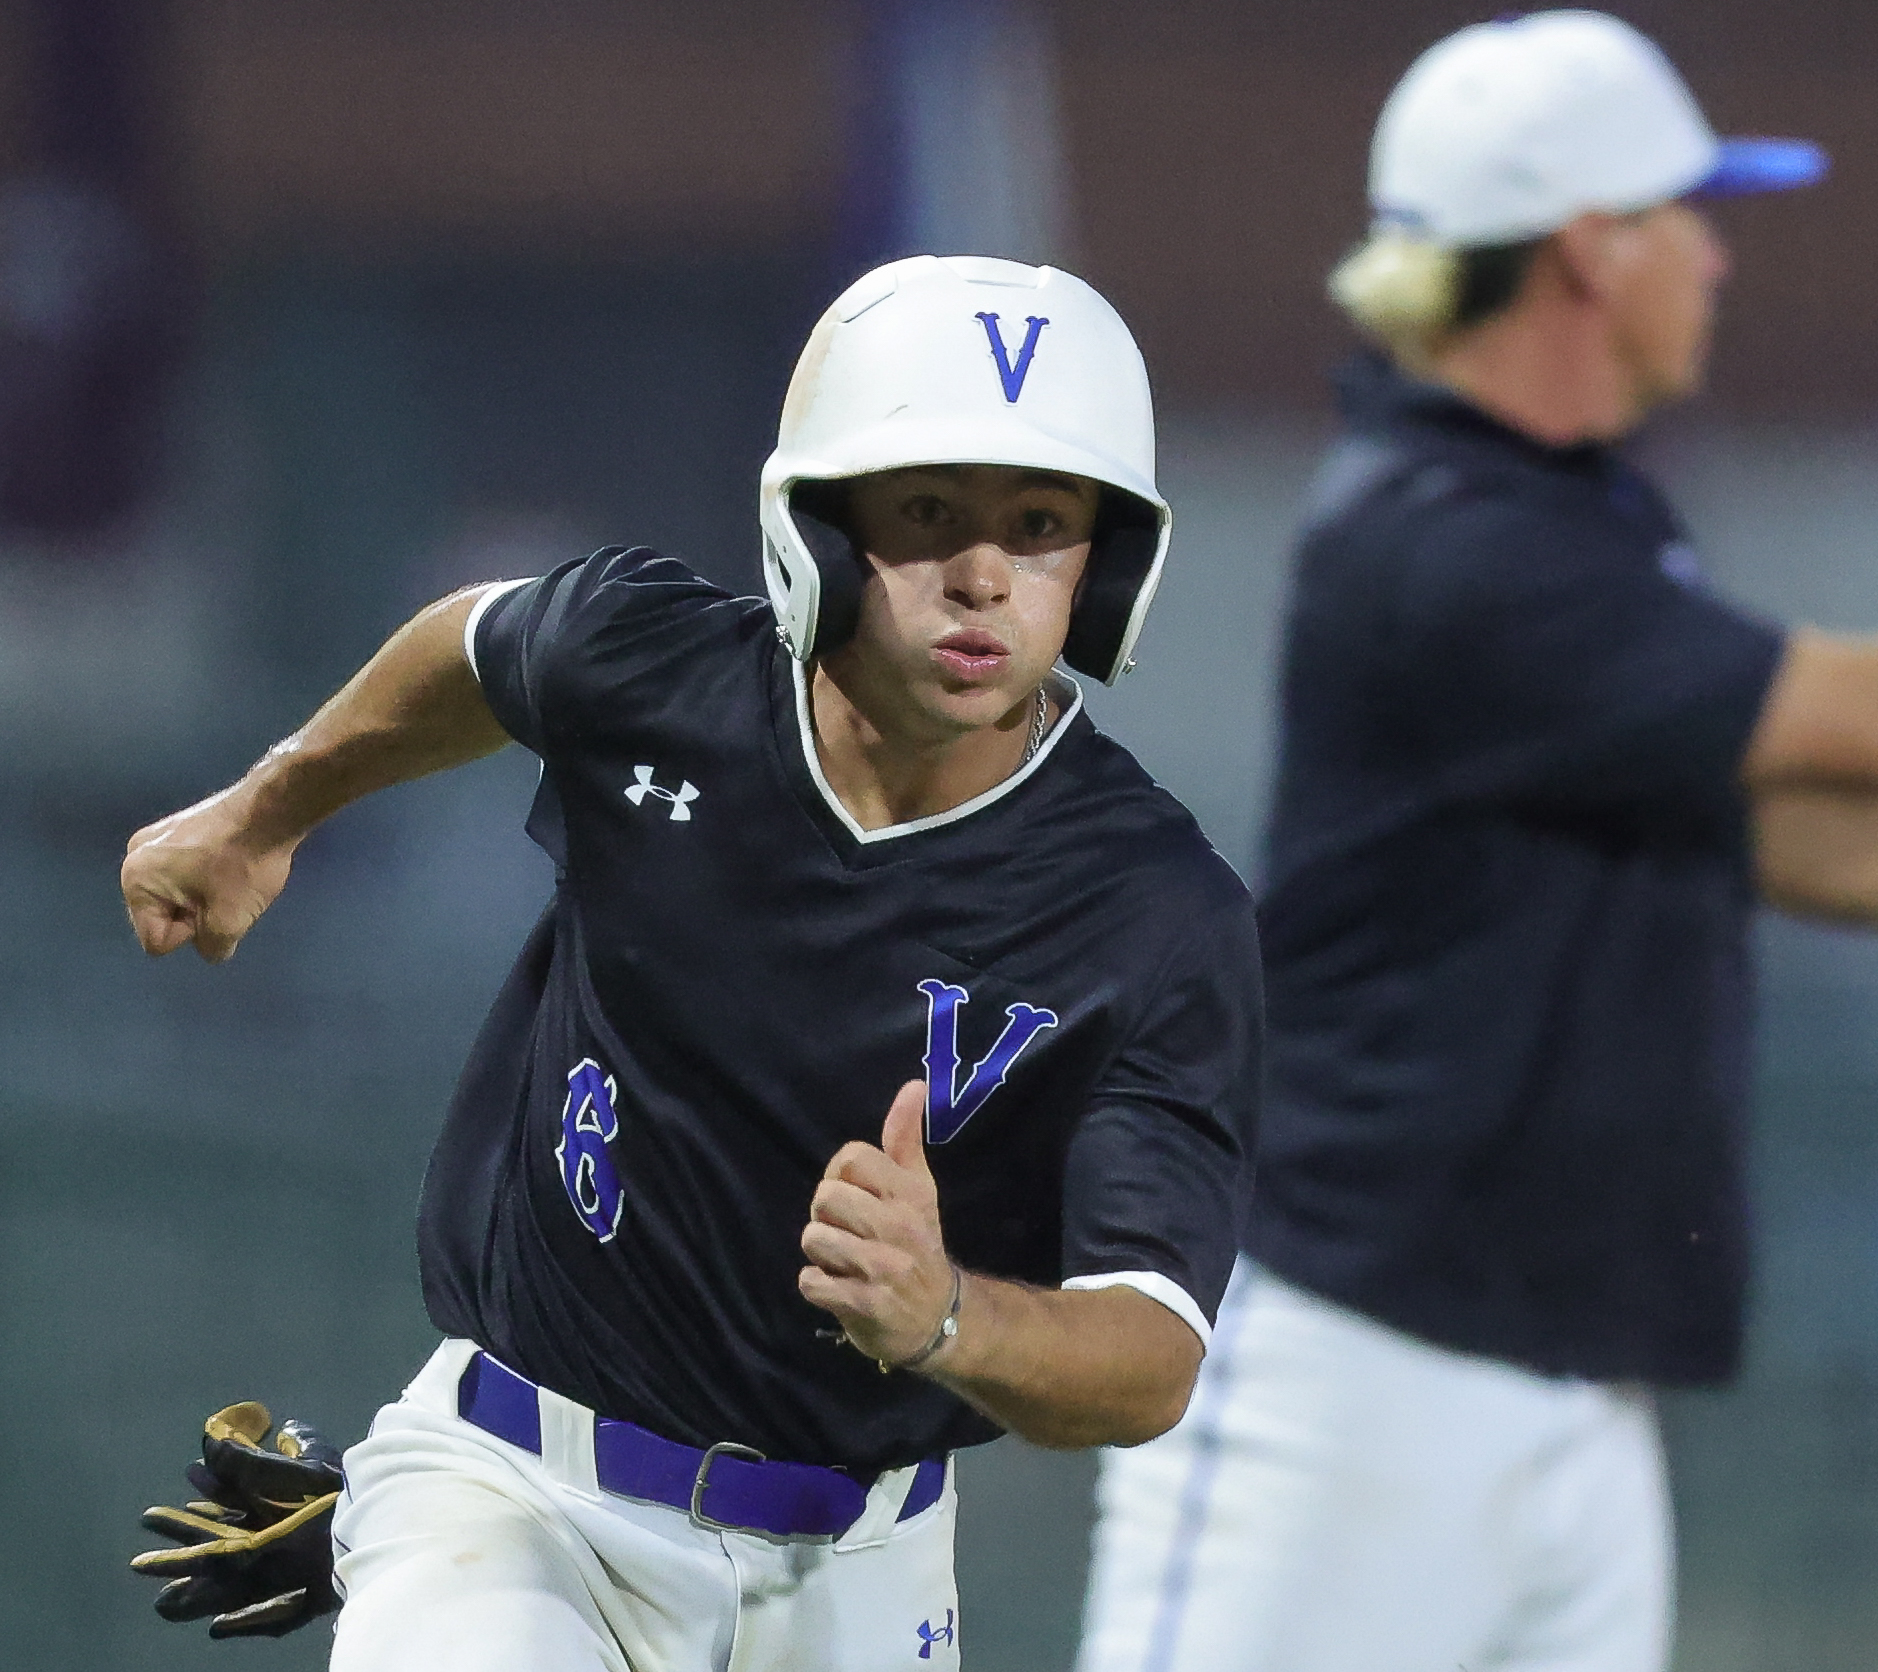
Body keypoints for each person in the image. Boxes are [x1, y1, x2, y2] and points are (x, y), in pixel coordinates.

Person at [1076, 10, 1878, 1672]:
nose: (1715, 255)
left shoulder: (1580, 523)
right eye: (1688, 214)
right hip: (1355, 1383)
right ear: (1588, 252)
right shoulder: (1437, 543)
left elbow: (1767, 812)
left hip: (1576, 1392)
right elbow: (1859, 721)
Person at [118, 254, 1262, 1670]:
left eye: (1039, 523)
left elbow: (1148, 1353)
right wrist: (266, 808)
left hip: (867, 1564)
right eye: (926, 513)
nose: (981, 575)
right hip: (523, 1495)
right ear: (823, 530)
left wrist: (948, 1315)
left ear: (1107, 564)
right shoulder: (654, 668)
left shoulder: (1154, 910)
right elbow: (477, 648)